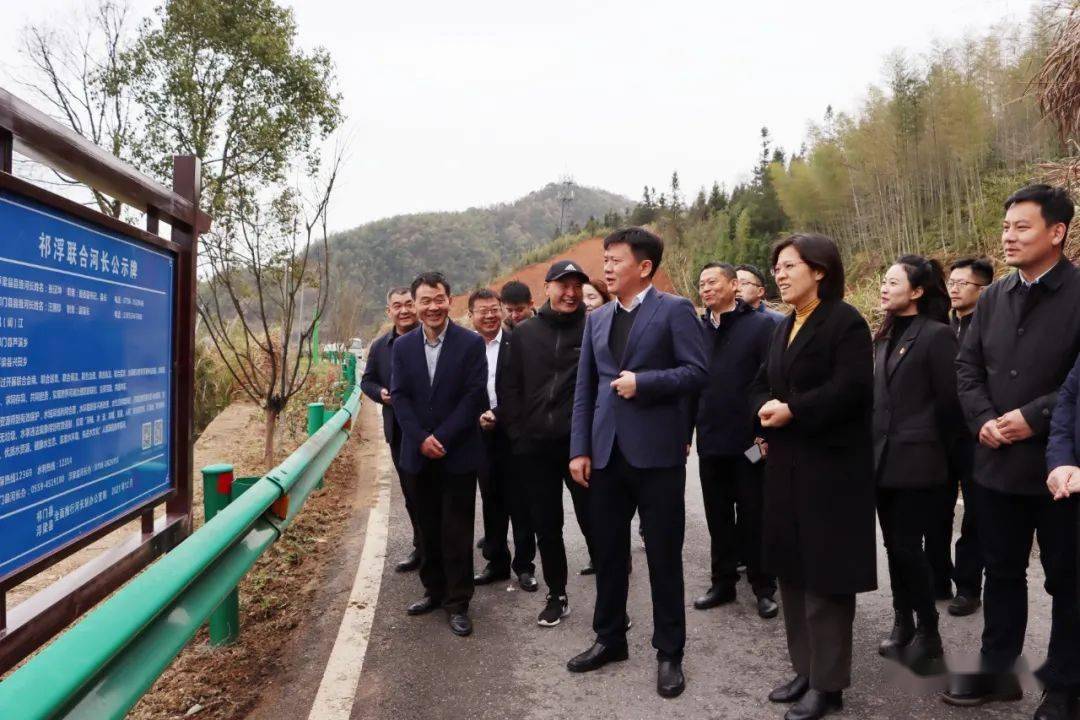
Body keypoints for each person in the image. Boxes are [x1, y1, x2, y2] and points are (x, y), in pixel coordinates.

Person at [946, 185, 1080, 720]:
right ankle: (999, 672)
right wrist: (983, 420)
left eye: (1022, 226)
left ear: (1057, 232)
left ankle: (1066, 684)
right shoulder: (996, 296)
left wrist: (1033, 417)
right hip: (996, 464)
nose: (1008, 236)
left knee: (1068, 579)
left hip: (1060, 467)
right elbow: (967, 367)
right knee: (1000, 572)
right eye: (1005, 227)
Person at [565, 227, 707, 699]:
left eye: (615, 259)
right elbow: (585, 388)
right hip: (605, 453)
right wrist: (579, 448)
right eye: (604, 259)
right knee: (608, 552)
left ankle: (670, 653)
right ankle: (609, 638)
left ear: (644, 267)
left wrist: (643, 383)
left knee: (664, 555)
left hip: (656, 454)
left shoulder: (675, 309)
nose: (605, 267)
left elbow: (696, 372)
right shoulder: (598, 318)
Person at [751, 233, 876, 720]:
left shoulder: (844, 322)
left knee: (826, 579)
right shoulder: (782, 327)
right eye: (776, 267)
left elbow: (851, 390)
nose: (778, 274)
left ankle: (829, 684)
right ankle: (804, 669)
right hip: (785, 468)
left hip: (831, 473)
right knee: (792, 573)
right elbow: (760, 382)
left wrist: (794, 410)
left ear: (819, 270)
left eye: (788, 266)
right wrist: (762, 407)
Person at [872, 255, 961, 674]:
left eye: (893, 282)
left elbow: (949, 404)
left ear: (918, 291)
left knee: (909, 548)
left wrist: (938, 453)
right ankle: (902, 621)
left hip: (919, 459)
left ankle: (929, 632)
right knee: (894, 546)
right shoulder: (884, 336)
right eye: (883, 281)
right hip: (882, 460)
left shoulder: (938, 336)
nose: (885, 288)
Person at [391, 272, 488, 637]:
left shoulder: (469, 343)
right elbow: (400, 396)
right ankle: (433, 591)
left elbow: (474, 395)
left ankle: (458, 602)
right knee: (427, 529)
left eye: (439, 299)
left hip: (458, 452)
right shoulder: (402, 347)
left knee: (457, 531)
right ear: (414, 305)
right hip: (417, 455)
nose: (433, 307)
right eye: (425, 301)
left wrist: (441, 437)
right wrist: (419, 438)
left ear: (450, 301)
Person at [501, 259, 594, 626]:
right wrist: (518, 435)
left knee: (595, 523)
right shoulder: (525, 334)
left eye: (576, 286)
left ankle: (611, 602)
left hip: (580, 447)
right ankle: (557, 595)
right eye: (562, 285)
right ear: (548, 287)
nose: (570, 293)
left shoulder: (595, 328)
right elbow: (509, 388)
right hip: (535, 448)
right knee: (547, 526)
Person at [690, 262, 778, 620]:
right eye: (701, 284)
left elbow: (772, 382)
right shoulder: (696, 331)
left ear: (733, 285)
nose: (706, 289)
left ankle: (764, 587)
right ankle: (722, 582)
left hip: (751, 442)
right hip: (711, 440)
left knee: (755, 512)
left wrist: (766, 434)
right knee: (718, 515)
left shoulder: (760, 327)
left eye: (712, 281)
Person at [469, 289, 537, 592]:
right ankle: (495, 563)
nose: (489, 315)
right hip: (479, 435)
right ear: (471, 315)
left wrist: (496, 413)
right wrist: (476, 417)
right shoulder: (464, 348)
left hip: (514, 432)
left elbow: (527, 389)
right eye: (482, 310)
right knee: (491, 501)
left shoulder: (517, 342)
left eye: (494, 309)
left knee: (520, 502)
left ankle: (524, 566)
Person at [942, 257, 993, 617]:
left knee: (975, 513)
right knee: (937, 510)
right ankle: (938, 576)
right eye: (952, 282)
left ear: (983, 290)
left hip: (976, 435)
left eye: (964, 283)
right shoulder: (942, 326)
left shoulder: (991, 327)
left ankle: (969, 586)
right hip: (943, 435)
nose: (955, 288)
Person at [360, 287, 422, 572]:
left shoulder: (432, 339)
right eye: (397, 306)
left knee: (440, 494)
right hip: (398, 430)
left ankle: (443, 548)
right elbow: (367, 381)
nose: (404, 310)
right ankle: (421, 546)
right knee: (411, 493)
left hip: (432, 429)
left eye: (409, 304)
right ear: (389, 311)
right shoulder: (381, 346)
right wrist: (380, 393)